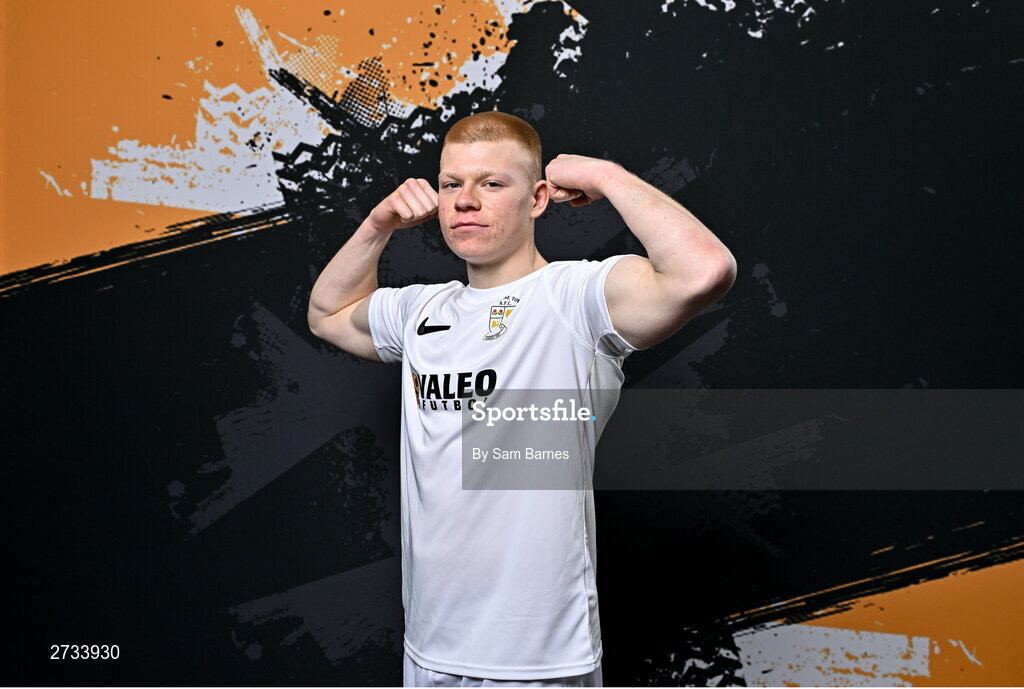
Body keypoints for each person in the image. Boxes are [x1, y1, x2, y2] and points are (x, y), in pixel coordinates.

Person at [307, 111, 737, 687]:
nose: (464, 201)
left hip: (536, 659)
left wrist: (606, 176)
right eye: (452, 183)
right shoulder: (421, 311)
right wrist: (378, 222)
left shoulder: (575, 298)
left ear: (537, 199)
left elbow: (704, 271)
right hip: (430, 647)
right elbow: (326, 314)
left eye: (491, 183)